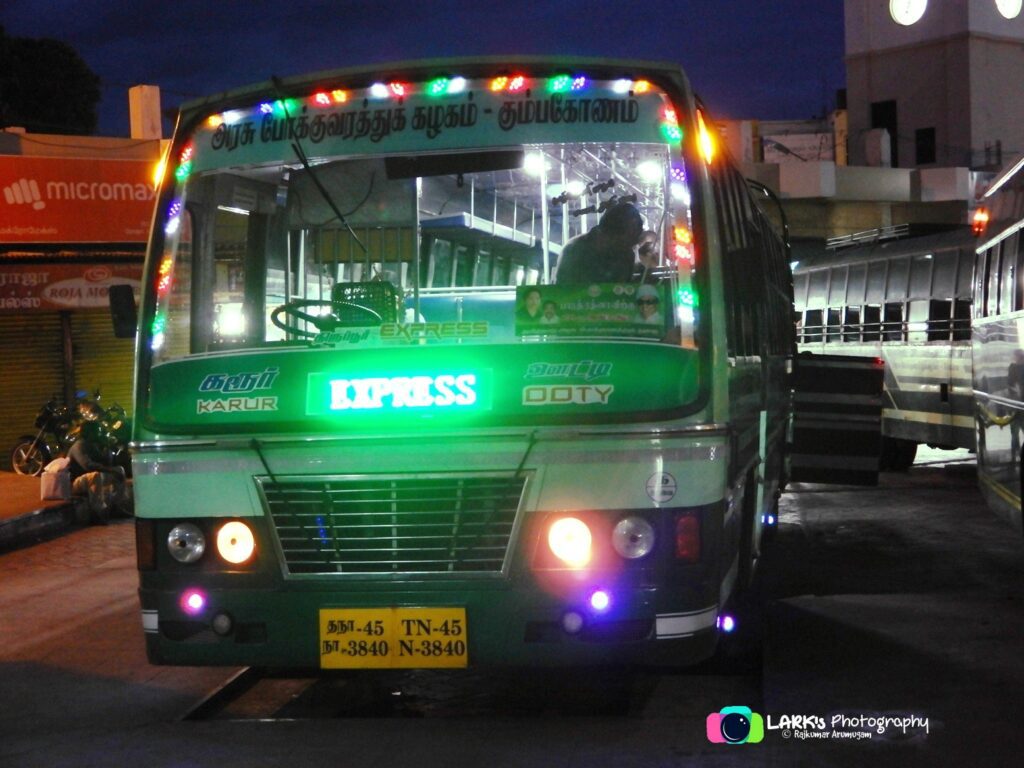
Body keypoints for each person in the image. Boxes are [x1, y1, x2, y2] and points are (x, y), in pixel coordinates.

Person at [555, 201, 645, 284]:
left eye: (631, 244)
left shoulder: (626, 254)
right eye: (624, 243)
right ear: (609, 234)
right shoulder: (575, 250)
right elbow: (565, 291)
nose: (628, 248)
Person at [68, 420, 127, 524]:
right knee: (95, 475)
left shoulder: (92, 445)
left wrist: (107, 447)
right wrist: (110, 470)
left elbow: (106, 463)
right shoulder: (79, 445)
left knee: (119, 470)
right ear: (89, 432)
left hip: (87, 479)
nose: (99, 433)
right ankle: (96, 513)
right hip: (73, 483)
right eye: (97, 431)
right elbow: (87, 465)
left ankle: (116, 508)